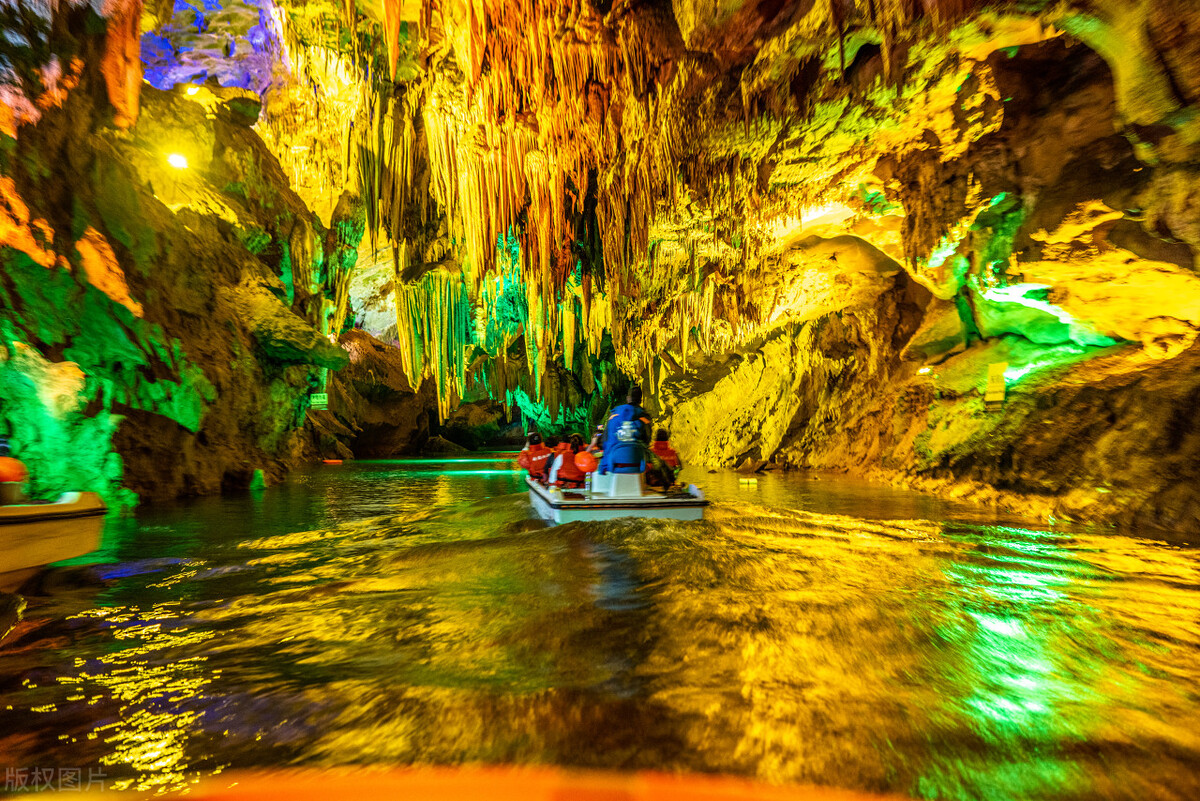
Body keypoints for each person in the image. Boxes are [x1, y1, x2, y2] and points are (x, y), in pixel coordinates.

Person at [598, 386, 651, 475]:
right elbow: (647, 440)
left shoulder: (614, 414)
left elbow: (604, 439)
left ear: (628, 398)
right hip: (638, 464)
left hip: (613, 464)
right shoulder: (644, 417)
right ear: (640, 400)